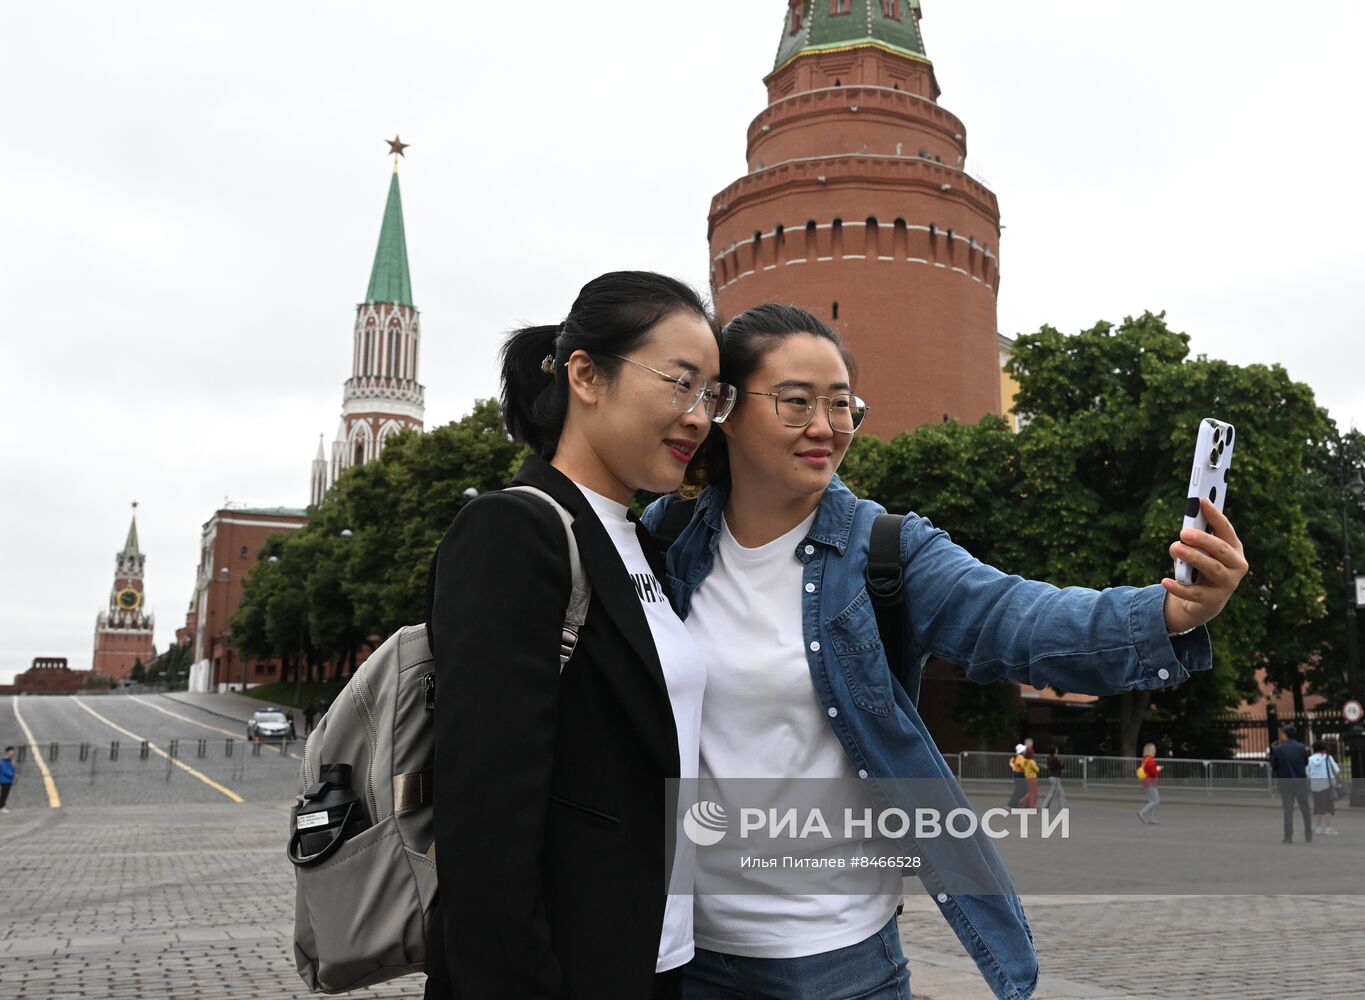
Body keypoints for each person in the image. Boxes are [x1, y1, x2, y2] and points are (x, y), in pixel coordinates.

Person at [642, 304, 1248, 1000]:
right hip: (685, 958)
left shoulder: (887, 550)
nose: (824, 427)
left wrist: (1167, 612)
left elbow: (1016, 618)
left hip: (841, 962)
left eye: (841, 405)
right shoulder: (663, 545)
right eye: (795, 402)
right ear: (724, 408)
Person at [423, 272, 733, 1000]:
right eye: (680, 383)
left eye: (711, 397)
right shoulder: (514, 532)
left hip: (657, 956)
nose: (698, 417)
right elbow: (483, 822)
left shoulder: (642, 543)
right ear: (586, 375)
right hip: (565, 968)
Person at [1270, 726, 1313, 844]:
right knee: (1305, 809)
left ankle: (1288, 836)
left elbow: (1274, 765)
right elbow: (1305, 762)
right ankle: (1308, 834)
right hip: (1300, 781)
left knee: (1288, 810)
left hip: (1285, 782)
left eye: (1282, 734)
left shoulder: (1278, 749)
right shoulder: (1301, 747)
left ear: (1285, 735)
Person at [1307, 741, 1341, 836]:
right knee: (1329, 808)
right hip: (1327, 785)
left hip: (1315, 786)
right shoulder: (1328, 758)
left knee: (1318, 807)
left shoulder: (1309, 759)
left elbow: (1307, 773)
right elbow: (1336, 770)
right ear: (1324, 749)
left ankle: (1318, 828)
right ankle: (1328, 828)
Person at [1137, 743, 1161, 825]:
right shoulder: (1151, 760)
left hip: (1145, 782)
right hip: (1151, 782)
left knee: (1152, 800)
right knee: (1156, 800)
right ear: (1151, 751)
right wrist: (1158, 769)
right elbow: (1153, 772)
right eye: (1154, 749)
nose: (1155, 751)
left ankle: (1151, 818)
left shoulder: (1144, 759)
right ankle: (1142, 812)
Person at [1042, 747, 1068, 812]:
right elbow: (1061, 766)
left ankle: (1063, 807)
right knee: (1055, 793)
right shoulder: (1055, 758)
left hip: (1052, 777)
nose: (1057, 750)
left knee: (1058, 793)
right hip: (1055, 777)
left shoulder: (1049, 758)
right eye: (1056, 749)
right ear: (1054, 751)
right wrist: (1061, 761)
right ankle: (1045, 806)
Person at [1007, 743, 1028, 809]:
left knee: (1022, 790)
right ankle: (1012, 804)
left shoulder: (1017, 757)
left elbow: (1012, 763)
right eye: (1024, 750)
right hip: (1020, 776)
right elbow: (1022, 765)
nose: (1025, 751)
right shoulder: (1020, 757)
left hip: (1018, 775)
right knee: (1020, 790)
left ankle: (1016, 804)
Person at [0, 746, 15, 813]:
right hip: (5, 780)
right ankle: (2, 807)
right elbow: (5, 770)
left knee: (5, 794)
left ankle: (2, 806)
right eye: (11, 751)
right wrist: (12, 774)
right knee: (4, 794)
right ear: (7, 752)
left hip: (7, 780)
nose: (13, 753)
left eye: (13, 751)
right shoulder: (5, 760)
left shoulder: (9, 760)